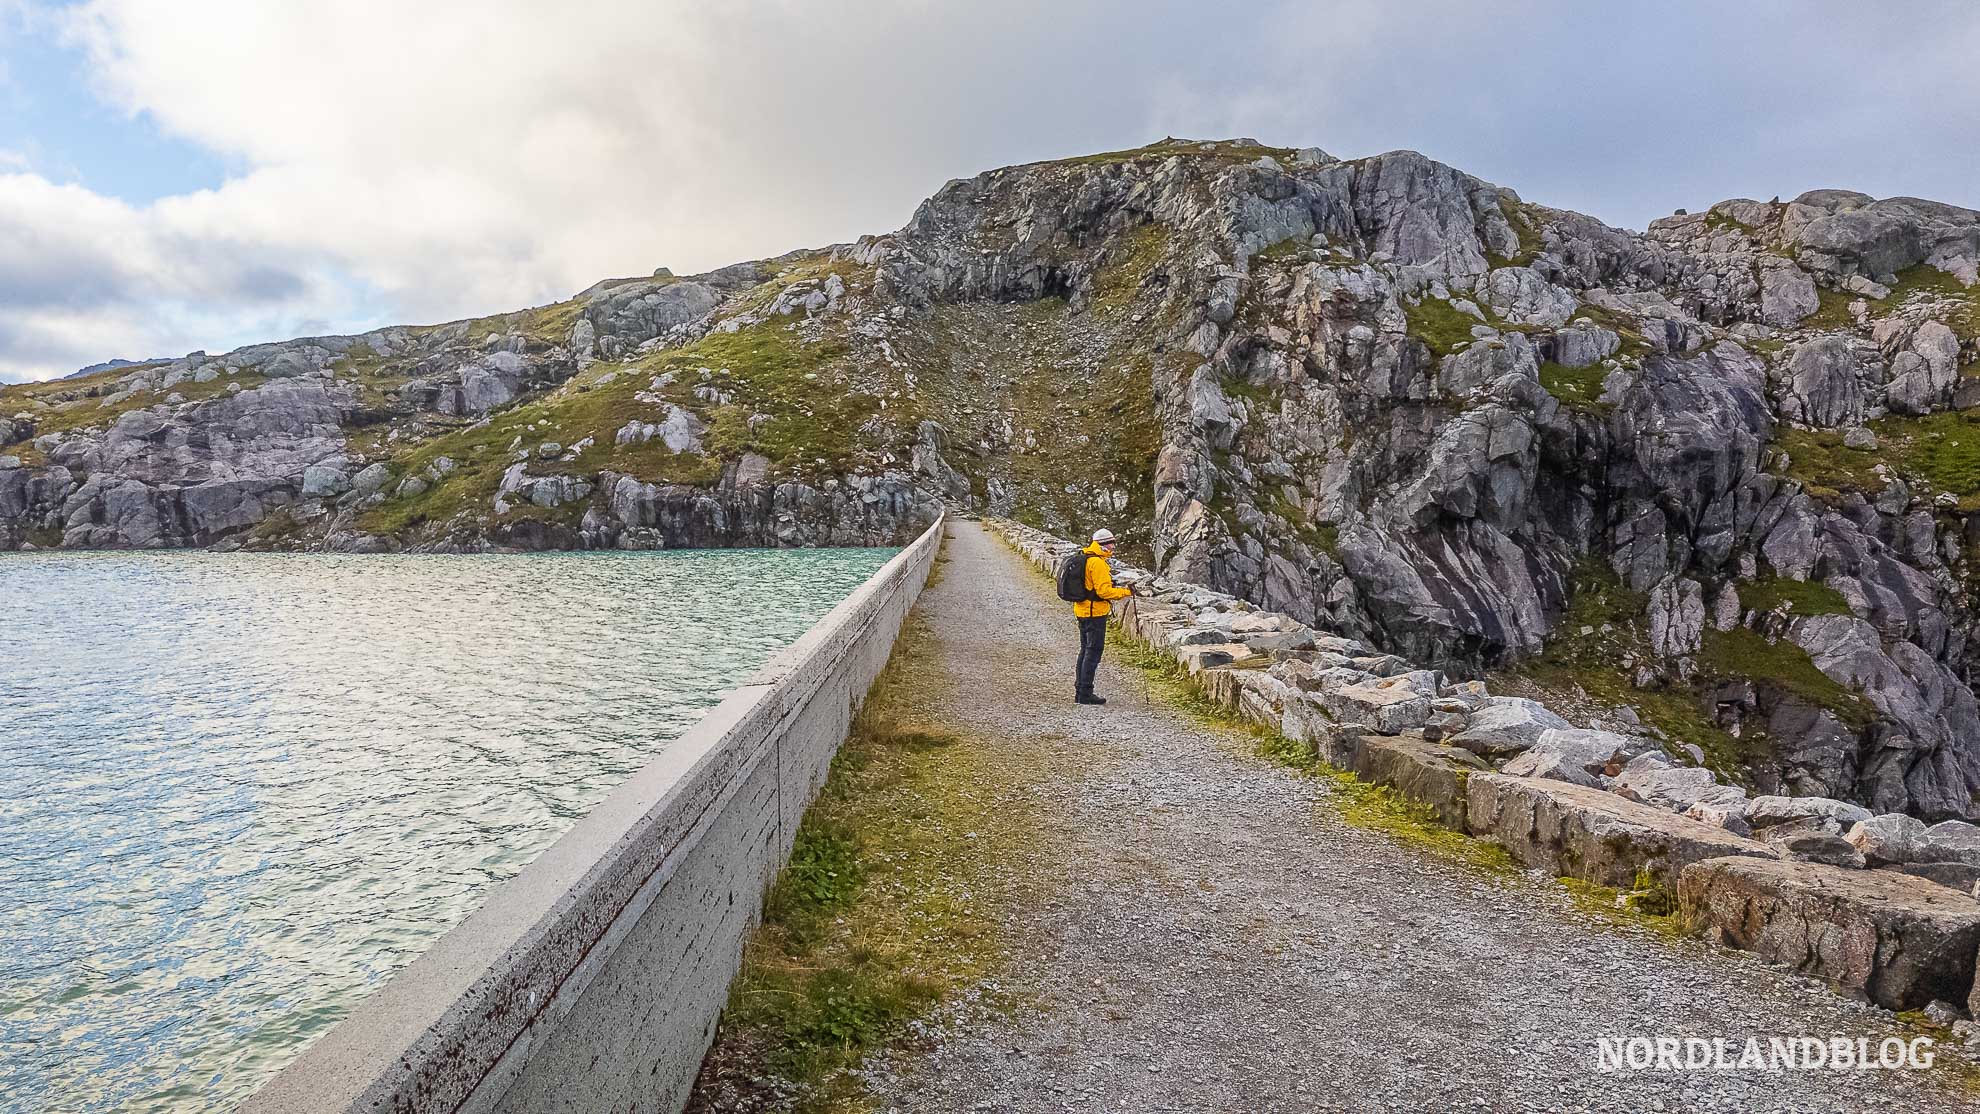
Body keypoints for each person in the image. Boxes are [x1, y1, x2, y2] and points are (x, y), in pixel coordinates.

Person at [1073, 527, 1133, 706]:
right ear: (1104, 545)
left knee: (1085, 650)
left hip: (1082, 610)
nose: (1113, 548)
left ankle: (1080, 690)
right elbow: (1103, 591)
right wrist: (1125, 592)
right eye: (1111, 544)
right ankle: (1086, 693)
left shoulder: (1085, 556)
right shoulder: (1098, 563)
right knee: (1093, 652)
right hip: (1095, 613)